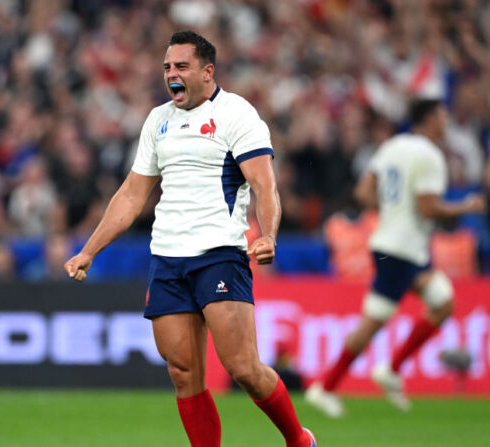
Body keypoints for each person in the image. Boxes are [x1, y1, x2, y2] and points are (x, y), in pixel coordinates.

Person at [63, 31, 316, 447]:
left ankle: (298, 439)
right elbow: (131, 194)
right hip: (166, 258)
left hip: (218, 254)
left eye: (181, 66)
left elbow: (263, 185)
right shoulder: (158, 120)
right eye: (167, 67)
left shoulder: (237, 114)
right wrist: (89, 250)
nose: (171, 74)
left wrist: (269, 233)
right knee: (183, 373)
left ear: (206, 71)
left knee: (242, 367)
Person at [304, 99, 486, 417]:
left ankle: (391, 370)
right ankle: (325, 387)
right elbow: (430, 208)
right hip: (399, 251)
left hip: (403, 248)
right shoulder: (430, 156)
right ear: (429, 120)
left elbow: (362, 193)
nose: (446, 122)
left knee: (442, 301)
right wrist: (466, 206)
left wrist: (393, 212)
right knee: (373, 322)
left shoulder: (392, 147)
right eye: (443, 116)